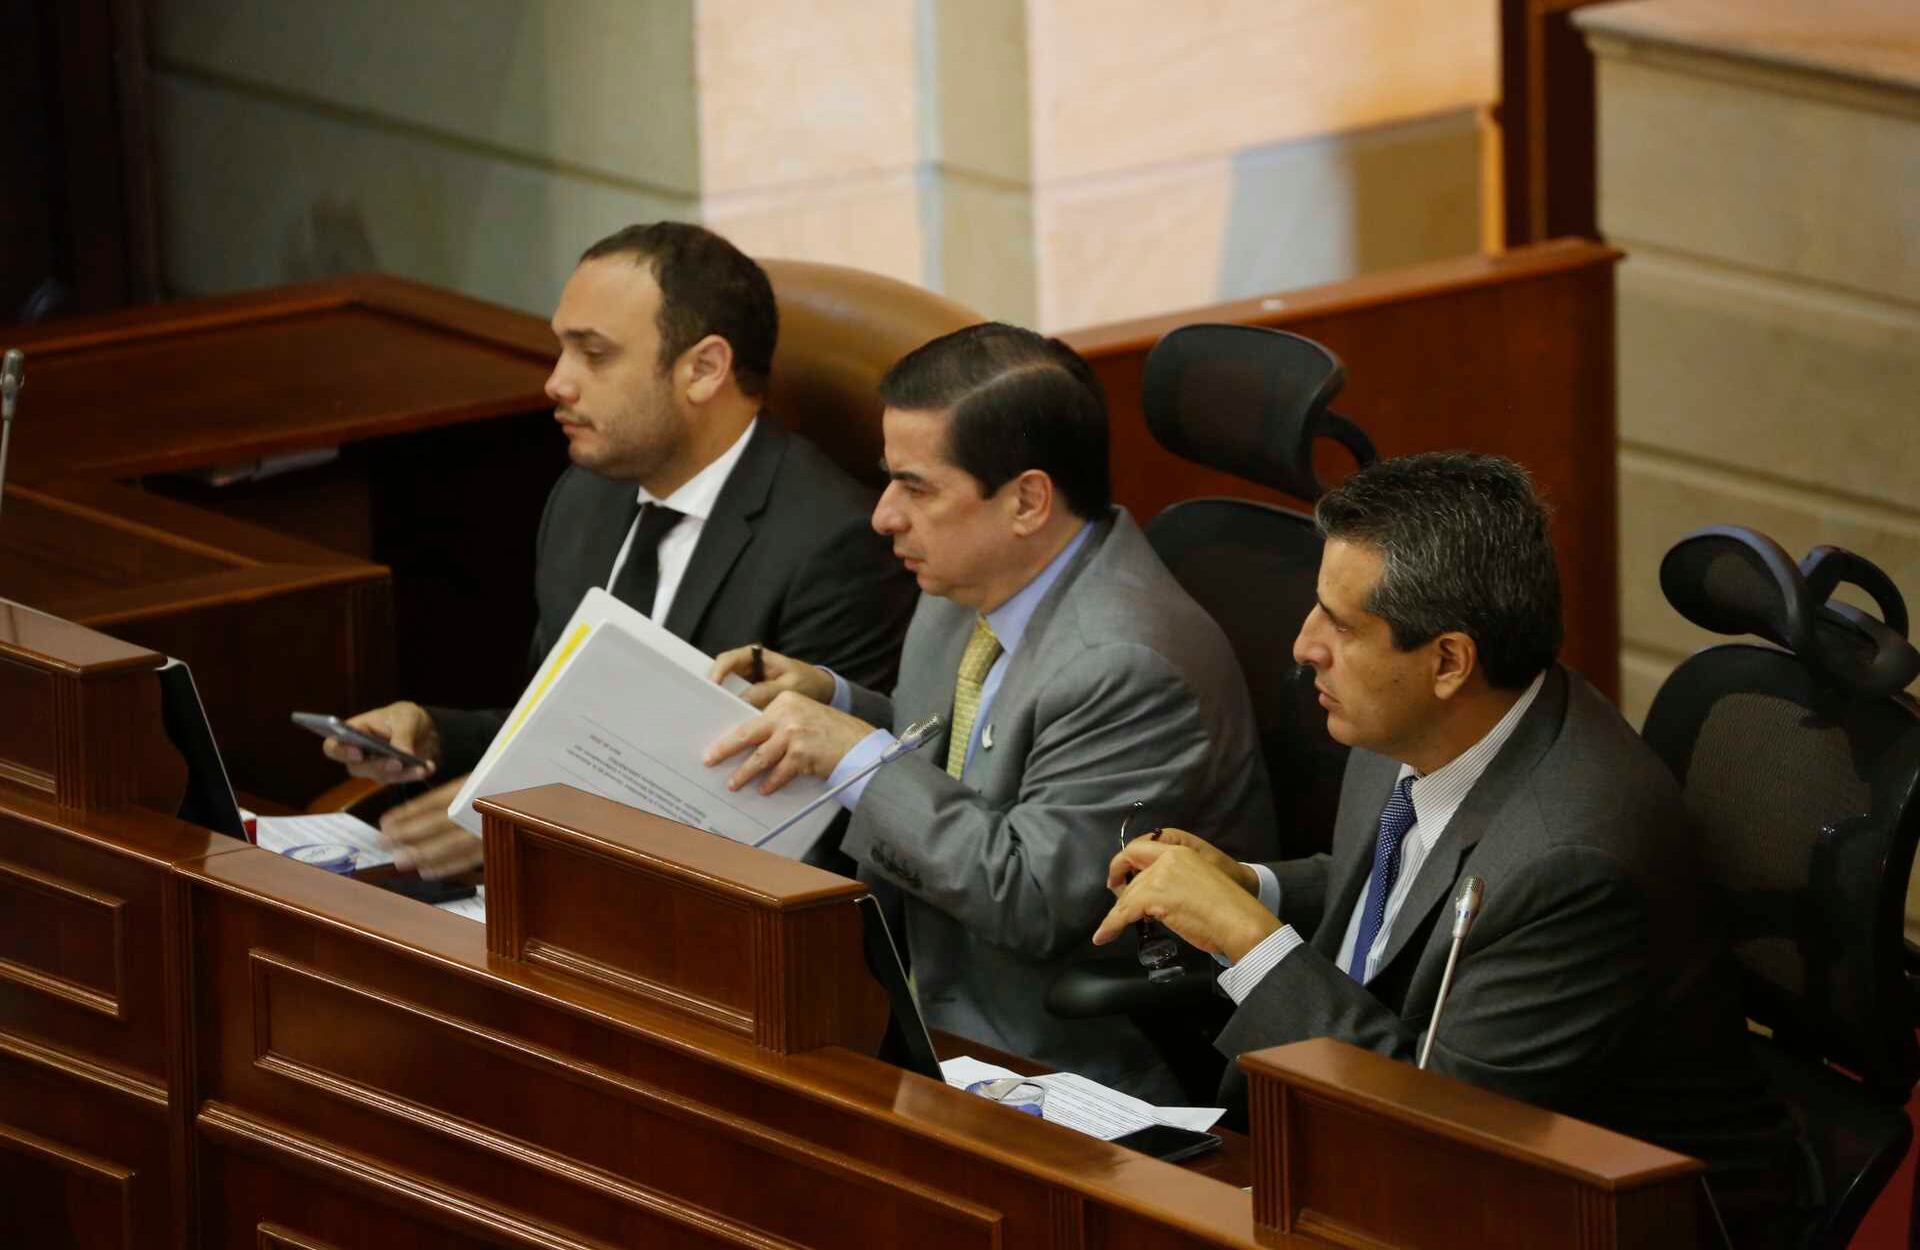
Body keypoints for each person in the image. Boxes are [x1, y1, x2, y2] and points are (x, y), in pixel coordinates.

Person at [1093, 452, 1803, 1242]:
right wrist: (1255, 888)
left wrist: (1248, 940)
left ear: (1449, 662)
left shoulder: (1570, 861)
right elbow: (1405, 882)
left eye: (1341, 626)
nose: (1303, 646)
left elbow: (1441, 1134)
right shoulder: (1422, 721)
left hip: (1582, 1218)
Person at [702, 322, 1275, 1102]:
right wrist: (835, 703)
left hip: (1054, 1058)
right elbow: (966, 757)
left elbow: (1030, 896)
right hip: (909, 993)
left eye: (917, 488)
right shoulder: (971, 578)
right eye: (889, 480)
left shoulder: (1125, 663)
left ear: (1027, 501)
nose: (883, 516)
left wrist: (854, 753)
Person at [325, 222, 916, 876]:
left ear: (704, 370)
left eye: (594, 355)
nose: (557, 383)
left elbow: (800, 818)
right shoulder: (585, 498)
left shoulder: (836, 545)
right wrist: (436, 735)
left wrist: (534, 823)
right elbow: (568, 732)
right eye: (561, 350)